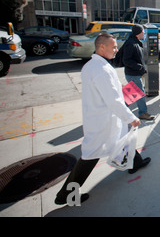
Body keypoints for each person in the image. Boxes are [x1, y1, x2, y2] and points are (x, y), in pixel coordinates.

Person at [55, 33, 150, 205]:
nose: (116, 50)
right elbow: (113, 101)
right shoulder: (102, 70)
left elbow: (106, 90)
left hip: (101, 117)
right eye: (113, 47)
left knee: (123, 141)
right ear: (101, 47)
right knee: (90, 157)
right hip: (104, 121)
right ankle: (66, 196)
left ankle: (136, 163)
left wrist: (120, 88)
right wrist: (131, 118)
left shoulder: (92, 66)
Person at [122, 24, 155, 120]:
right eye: (142, 32)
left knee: (131, 94)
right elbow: (126, 60)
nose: (144, 33)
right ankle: (143, 113)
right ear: (138, 33)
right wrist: (139, 67)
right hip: (133, 73)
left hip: (134, 73)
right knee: (140, 93)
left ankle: (120, 110)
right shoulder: (131, 44)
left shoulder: (135, 42)